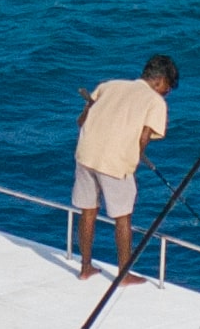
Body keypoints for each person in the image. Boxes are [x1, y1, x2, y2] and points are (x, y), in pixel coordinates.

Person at [70, 51, 176, 278]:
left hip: (86, 153)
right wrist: (133, 160)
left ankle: (85, 268)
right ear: (159, 81)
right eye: (167, 88)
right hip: (115, 161)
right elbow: (144, 137)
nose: (166, 94)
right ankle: (124, 274)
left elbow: (82, 121)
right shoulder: (155, 101)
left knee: (87, 212)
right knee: (123, 217)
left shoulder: (109, 86)